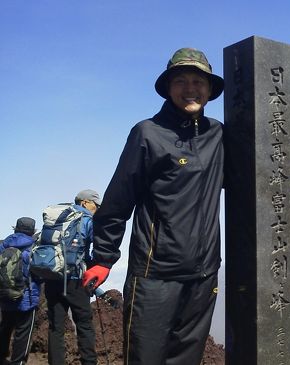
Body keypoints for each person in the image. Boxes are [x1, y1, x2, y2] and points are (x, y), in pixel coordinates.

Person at [82, 47, 225, 364]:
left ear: (210, 89)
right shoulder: (148, 134)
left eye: (198, 81)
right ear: (169, 87)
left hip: (204, 274)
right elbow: (119, 200)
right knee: (146, 358)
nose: (191, 88)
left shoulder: (218, 134)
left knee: (187, 359)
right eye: (182, 81)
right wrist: (103, 258)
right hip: (155, 274)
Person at [44, 189, 101, 365]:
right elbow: (95, 249)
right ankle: (89, 362)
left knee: (56, 327)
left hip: (53, 278)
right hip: (76, 280)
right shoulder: (86, 219)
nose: (98, 208)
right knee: (84, 324)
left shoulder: (57, 218)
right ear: (85, 202)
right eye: (96, 204)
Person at [0, 217, 40, 365]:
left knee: (5, 326)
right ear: (32, 231)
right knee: (23, 332)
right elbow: (38, 273)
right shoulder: (33, 248)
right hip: (26, 297)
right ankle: (18, 362)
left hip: (4, 295)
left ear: (15, 229)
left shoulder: (3, 246)